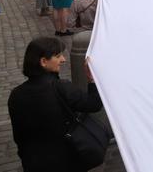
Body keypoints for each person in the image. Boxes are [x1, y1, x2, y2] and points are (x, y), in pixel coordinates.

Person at [8, 37, 103, 172]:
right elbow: (94, 104)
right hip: (65, 161)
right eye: (58, 56)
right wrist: (91, 80)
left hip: (33, 162)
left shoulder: (16, 94)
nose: (63, 60)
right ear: (43, 62)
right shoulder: (61, 87)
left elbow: (18, 136)